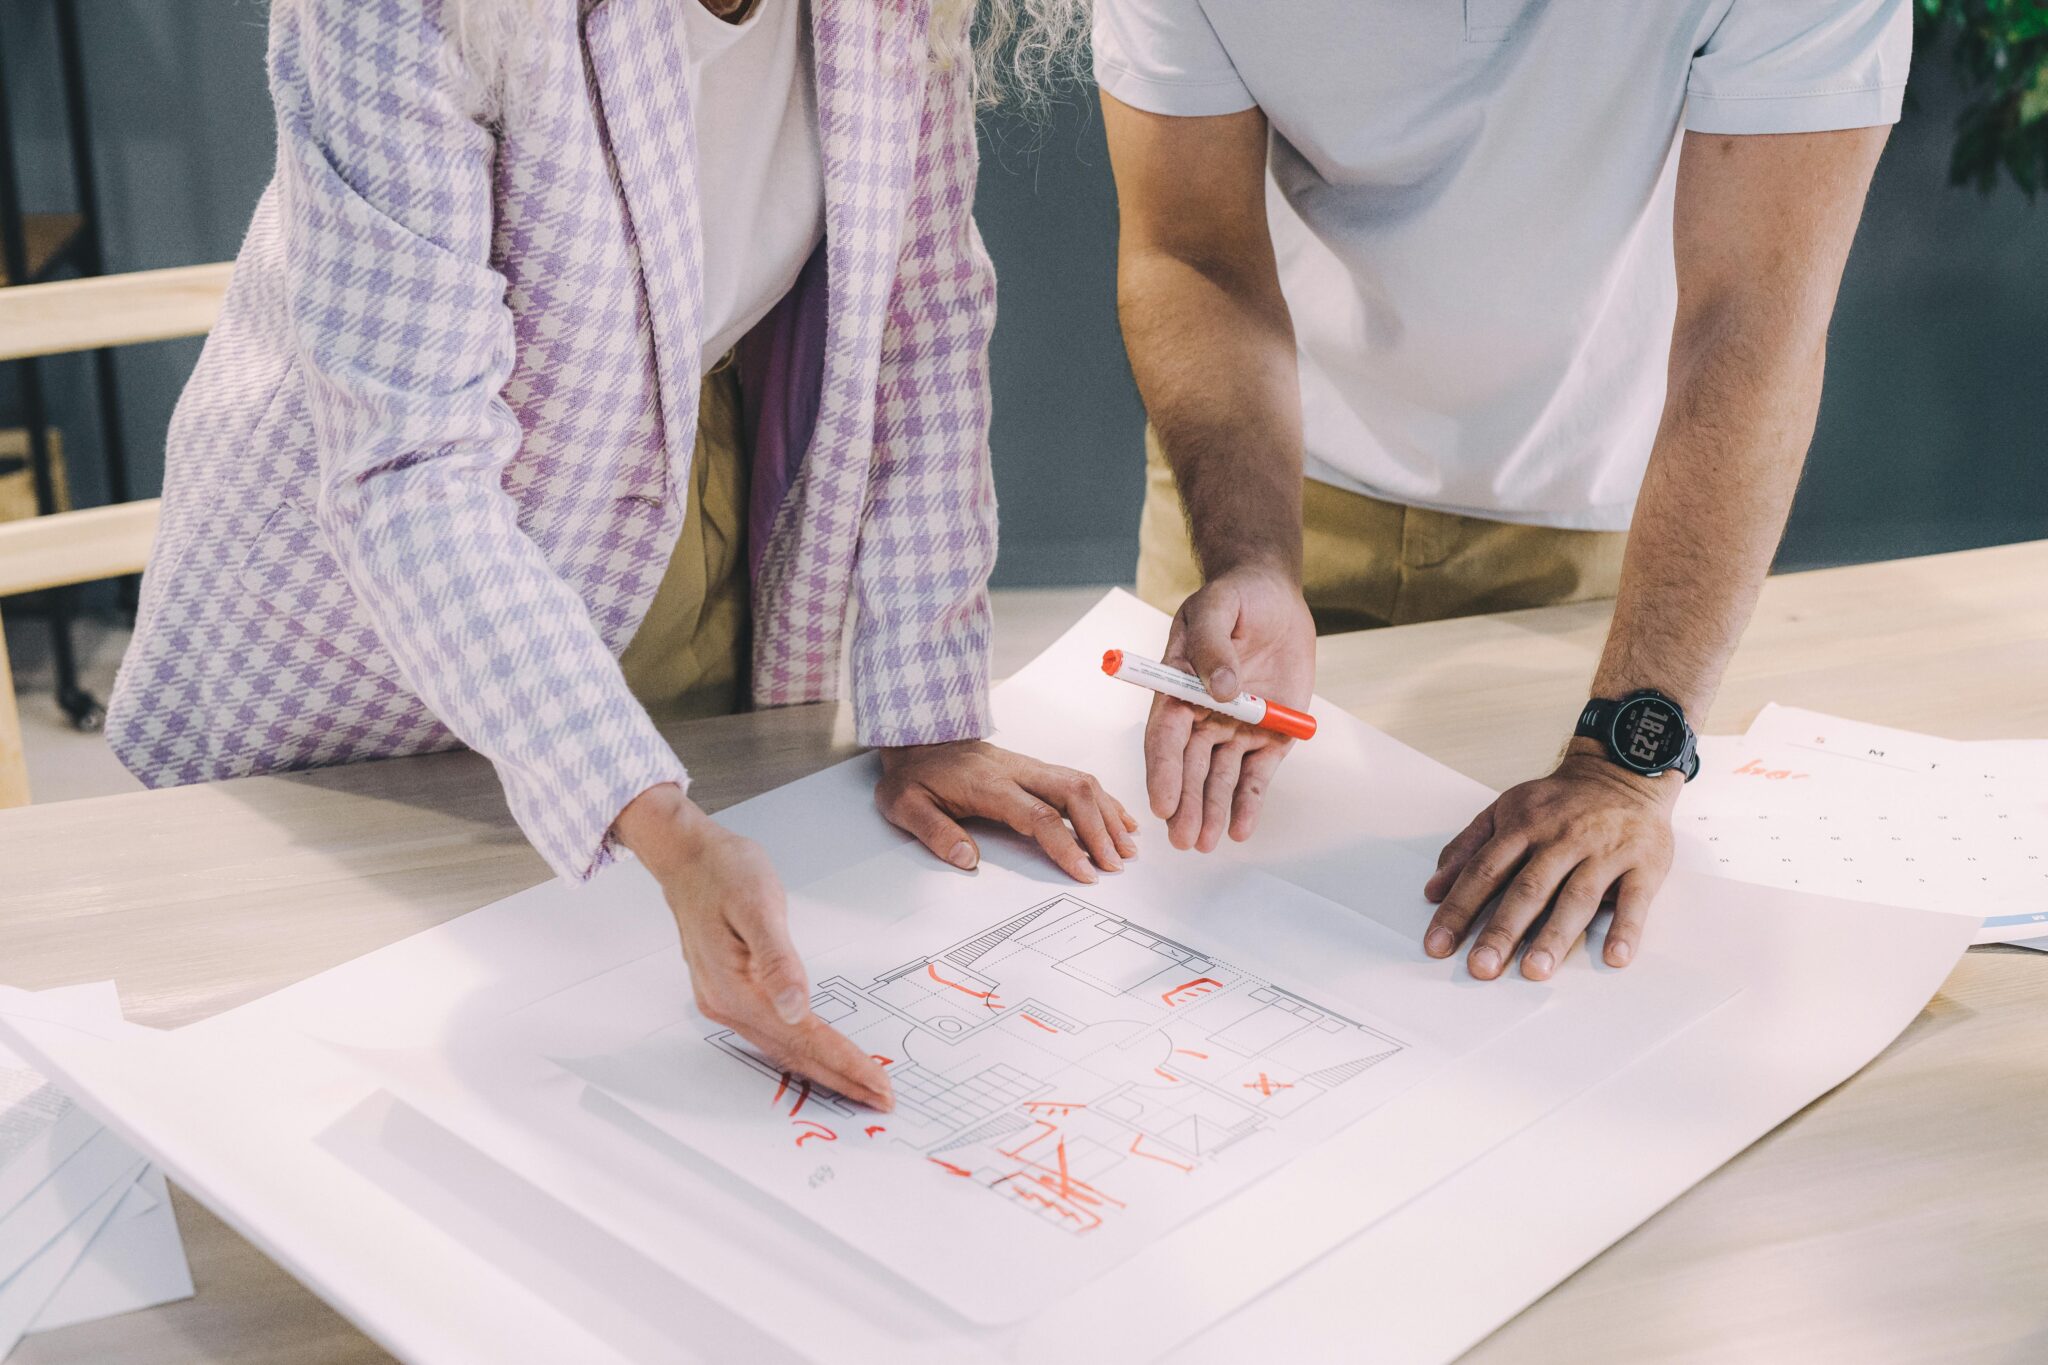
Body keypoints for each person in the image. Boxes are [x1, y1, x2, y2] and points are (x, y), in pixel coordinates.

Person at [107, 0, 1113, 1110]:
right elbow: (407, 467)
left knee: (616, 1005)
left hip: (675, 486)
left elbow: (920, 318)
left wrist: (928, 718)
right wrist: (666, 831)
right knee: (335, 1063)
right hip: (354, 593)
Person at [1095, 2, 1903, 978]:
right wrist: (1250, 555)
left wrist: (1624, 758)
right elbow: (1192, 249)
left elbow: (1753, 318)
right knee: (1174, 921)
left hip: (1609, 519)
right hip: (1258, 472)